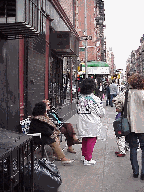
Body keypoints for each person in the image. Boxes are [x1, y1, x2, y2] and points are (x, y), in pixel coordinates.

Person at [77, 78, 105, 165]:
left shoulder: (79, 98)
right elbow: (101, 113)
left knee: (85, 139)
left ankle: (84, 155)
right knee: (91, 139)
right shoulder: (95, 99)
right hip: (92, 122)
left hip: (82, 121)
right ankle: (88, 159)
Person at [126, 73, 144, 179]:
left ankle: (135, 171)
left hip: (131, 125)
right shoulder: (143, 93)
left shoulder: (128, 93)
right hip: (143, 125)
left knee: (133, 148)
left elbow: (118, 104)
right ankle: (143, 173)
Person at [113, 91, 126, 157]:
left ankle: (122, 151)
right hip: (124, 121)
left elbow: (118, 110)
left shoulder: (123, 98)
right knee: (123, 136)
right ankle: (123, 149)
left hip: (121, 122)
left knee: (120, 136)